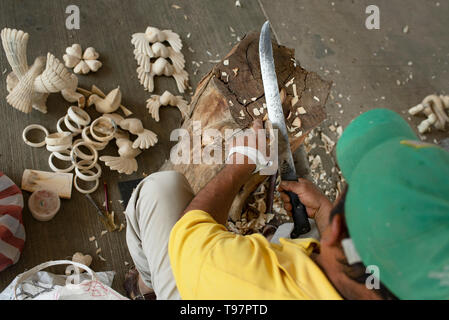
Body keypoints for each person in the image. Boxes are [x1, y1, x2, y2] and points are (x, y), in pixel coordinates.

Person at [123, 108, 449, 300]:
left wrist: (242, 161)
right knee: (292, 232)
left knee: (160, 190)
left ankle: (143, 286)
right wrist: (323, 212)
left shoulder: (243, 281)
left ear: (336, 232)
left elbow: (190, 233)